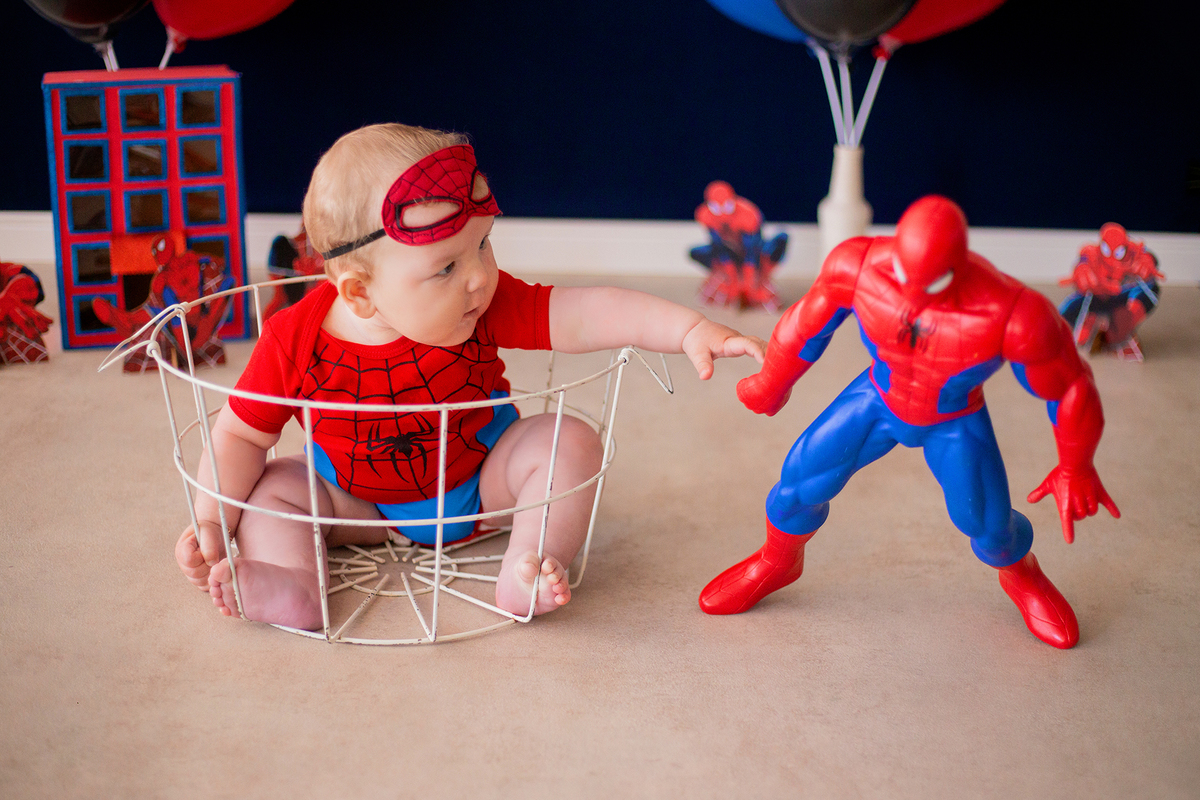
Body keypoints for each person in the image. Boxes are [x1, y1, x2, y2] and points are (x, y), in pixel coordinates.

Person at [175, 123, 765, 630]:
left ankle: (529, 562)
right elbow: (239, 436)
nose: (479, 277)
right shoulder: (293, 338)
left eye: (483, 245)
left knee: (570, 439)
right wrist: (211, 522)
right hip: (349, 502)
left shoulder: (480, 302)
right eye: (446, 267)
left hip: (481, 484)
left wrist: (688, 329)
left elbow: (588, 311)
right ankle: (293, 585)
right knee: (273, 487)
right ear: (358, 293)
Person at [699, 195, 1120, 649]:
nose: (913, 296)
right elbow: (805, 323)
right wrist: (772, 380)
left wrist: (1075, 464)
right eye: (904, 276)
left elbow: (1071, 386)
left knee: (988, 524)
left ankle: (1023, 576)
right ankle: (778, 561)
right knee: (798, 482)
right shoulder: (858, 265)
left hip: (953, 419)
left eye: (932, 283)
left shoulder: (1013, 313)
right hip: (878, 398)